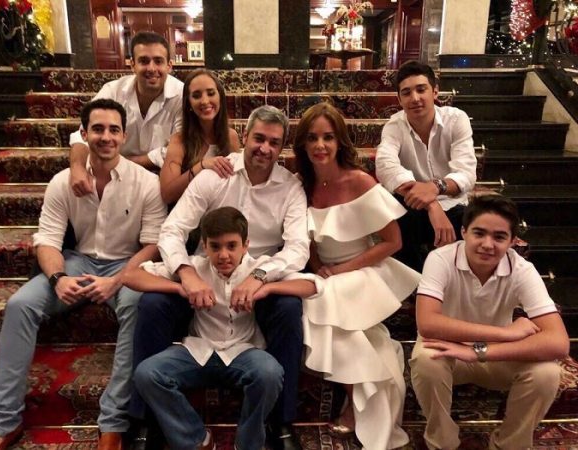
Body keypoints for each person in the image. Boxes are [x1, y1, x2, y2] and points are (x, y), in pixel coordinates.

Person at [0, 99, 167, 450]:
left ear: (124, 136)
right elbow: (47, 240)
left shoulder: (146, 182)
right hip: (78, 262)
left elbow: (153, 244)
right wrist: (58, 279)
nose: (106, 137)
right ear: (83, 133)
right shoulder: (62, 182)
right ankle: (4, 422)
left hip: (128, 265)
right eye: (98, 129)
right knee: (20, 305)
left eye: (113, 130)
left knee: (138, 307)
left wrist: (118, 280)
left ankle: (113, 423)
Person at [131, 105, 310, 450]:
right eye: (259, 138)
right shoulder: (216, 174)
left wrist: (260, 276)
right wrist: (186, 274)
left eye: (274, 142)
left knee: (289, 308)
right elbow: (172, 230)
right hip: (206, 277)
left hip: (261, 278)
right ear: (245, 136)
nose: (264, 148)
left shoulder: (290, 187)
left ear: (282, 147)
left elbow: (298, 249)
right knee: (152, 303)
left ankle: (280, 422)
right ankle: (145, 421)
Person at [291, 102, 420, 449]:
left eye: (328, 137)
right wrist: (318, 266)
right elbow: (309, 238)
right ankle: (359, 397)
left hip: (362, 269)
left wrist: (341, 271)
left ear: (340, 141)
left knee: (327, 306)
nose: (320, 145)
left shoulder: (360, 181)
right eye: (312, 138)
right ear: (303, 144)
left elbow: (393, 242)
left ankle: (354, 406)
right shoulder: (301, 185)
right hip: (327, 274)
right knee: (322, 309)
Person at [410, 194, 569, 450]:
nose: (487, 244)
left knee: (547, 373)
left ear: (512, 241)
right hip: (449, 350)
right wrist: (504, 333)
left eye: (499, 237)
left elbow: (558, 342)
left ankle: (509, 444)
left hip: (494, 356)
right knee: (426, 359)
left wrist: (478, 350)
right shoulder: (440, 259)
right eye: (479, 233)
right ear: (464, 232)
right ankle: (442, 442)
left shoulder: (522, 270)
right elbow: (427, 324)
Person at [124, 207, 284, 450]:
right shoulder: (194, 267)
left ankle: (249, 444)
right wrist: (181, 288)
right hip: (198, 351)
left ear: (246, 245)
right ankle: (196, 440)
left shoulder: (260, 268)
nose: (223, 255)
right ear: (204, 246)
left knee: (270, 372)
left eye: (231, 246)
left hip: (244, 352)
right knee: (147, 373)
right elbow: (131, 276)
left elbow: (312, 284)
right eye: (215, 247)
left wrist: (266, 288)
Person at [375, 60, 477, 272]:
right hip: (413, 205)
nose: (415, 98)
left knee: (472, 224)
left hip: (453, 203)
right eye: (406, 93)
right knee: (395, 216)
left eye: (421, 89)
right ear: (399, 99)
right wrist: (431, 204)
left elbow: (466, 173)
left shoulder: (456, 119)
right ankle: (414, 281)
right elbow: (386, 167)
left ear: (435, 92)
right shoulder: (394, 126)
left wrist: (435, 188)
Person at [69, 31, 184, 197]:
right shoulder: (113, 91)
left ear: (169, 66)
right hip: (112, 173)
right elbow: (84, 133)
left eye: (158, 61)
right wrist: (77, 168)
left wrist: (126, 164)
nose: (152, 68)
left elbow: (181, 146)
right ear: (132, 65)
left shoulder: (181, 96)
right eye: (144, 61)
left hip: (161, 175)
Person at [159, 68, 240, 204]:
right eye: (196, 96)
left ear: (220, 97)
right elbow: (167, 194)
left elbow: (236, 184)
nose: (205, 101)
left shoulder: (231, 136)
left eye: (211, 93)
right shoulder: (179, 140)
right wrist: (202, 166)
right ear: (189, 103)